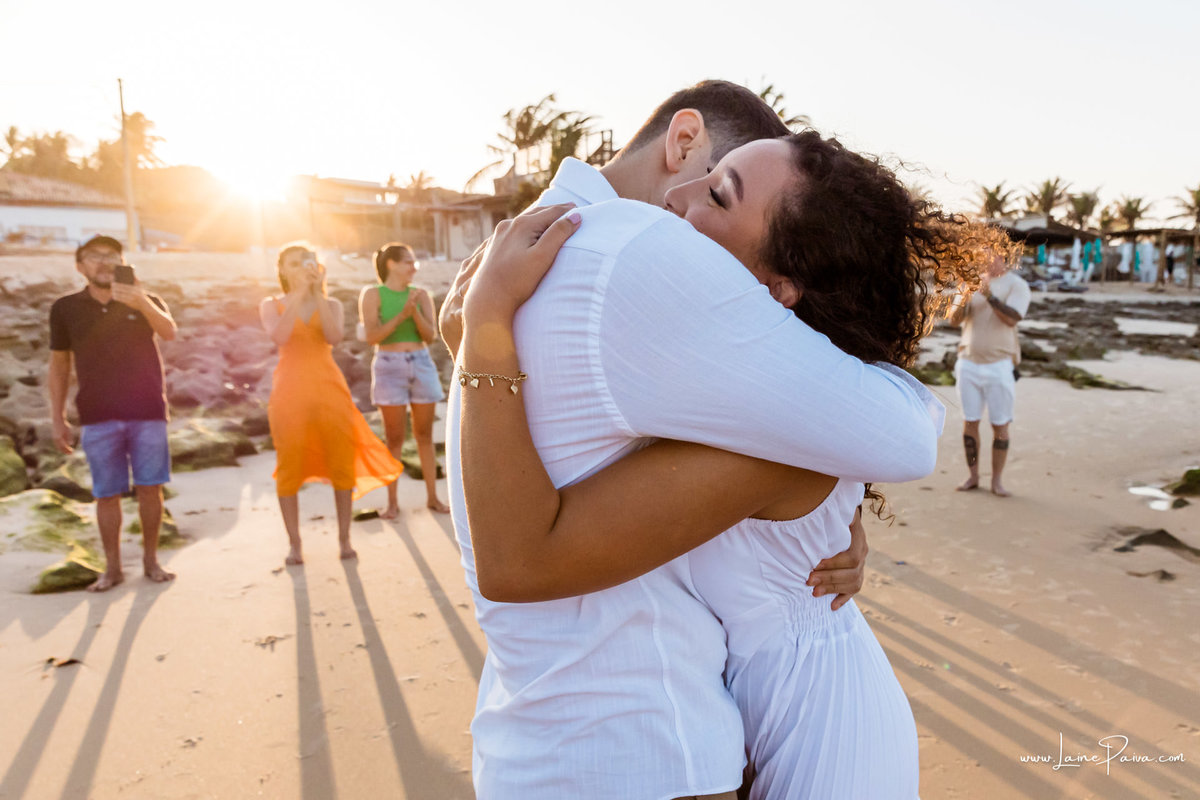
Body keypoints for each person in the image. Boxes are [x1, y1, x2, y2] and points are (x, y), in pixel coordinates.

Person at [438, 81, 947, 800]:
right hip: (719, 722)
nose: (680, 201)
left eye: (720, 195)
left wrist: (484, 338)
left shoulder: (752, 410)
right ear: (682, 143)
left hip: (816, 721)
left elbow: (887, 430)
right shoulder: (686, 342)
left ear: (779, 290)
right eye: (708, 180)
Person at [47, 235, 178, 592]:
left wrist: (141, 302)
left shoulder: (145, 300)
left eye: (112, 256)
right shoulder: (65, 308)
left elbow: (169, 331)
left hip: (148, 410)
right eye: (95, 257)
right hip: (96, 414)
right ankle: (113, 568)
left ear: (122, 262)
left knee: (151, 488)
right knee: (107, 494)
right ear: (80, 266)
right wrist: (57, 417)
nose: (104, 262)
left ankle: (151, 561)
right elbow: (59, 365)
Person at [259, 243, 402, 564]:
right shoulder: (271, 304)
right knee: (289, 465)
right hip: (289, 392)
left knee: (341, 461)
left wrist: (316, 293)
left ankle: (344, 539)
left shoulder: (332, 303)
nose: (301, 268)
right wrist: (296, 295)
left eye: (306, 262)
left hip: (329, 390)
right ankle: (295, 544)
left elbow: (334, 337)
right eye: (294, 264)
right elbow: (279, 337)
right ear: (282, 271)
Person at [358, 243, 448, 516]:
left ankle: (433, 498)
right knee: (394, 439)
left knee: (424, 436)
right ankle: (392, 503)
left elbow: (430, 336)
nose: (414, 267)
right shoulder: (372, 294)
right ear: (391, 265)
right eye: (408, 261)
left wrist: (416, 311)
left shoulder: (421, 295)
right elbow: (372, 337)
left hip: (421, 363)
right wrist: (401, 316)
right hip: (388, 366)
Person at [948, 249, 1031, 497]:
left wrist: (988, 295)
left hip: (999, 364)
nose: (984, 260)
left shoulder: (1017, 285)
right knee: (969, 422)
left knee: (1000, 425)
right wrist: (965, 294)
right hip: (968, 362)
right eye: (981, 255)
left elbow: (1012, 319)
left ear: (1003, 257)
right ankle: (973, 476)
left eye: (990, 255)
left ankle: (997, 481)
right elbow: (954, 320)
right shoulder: (969, 282)